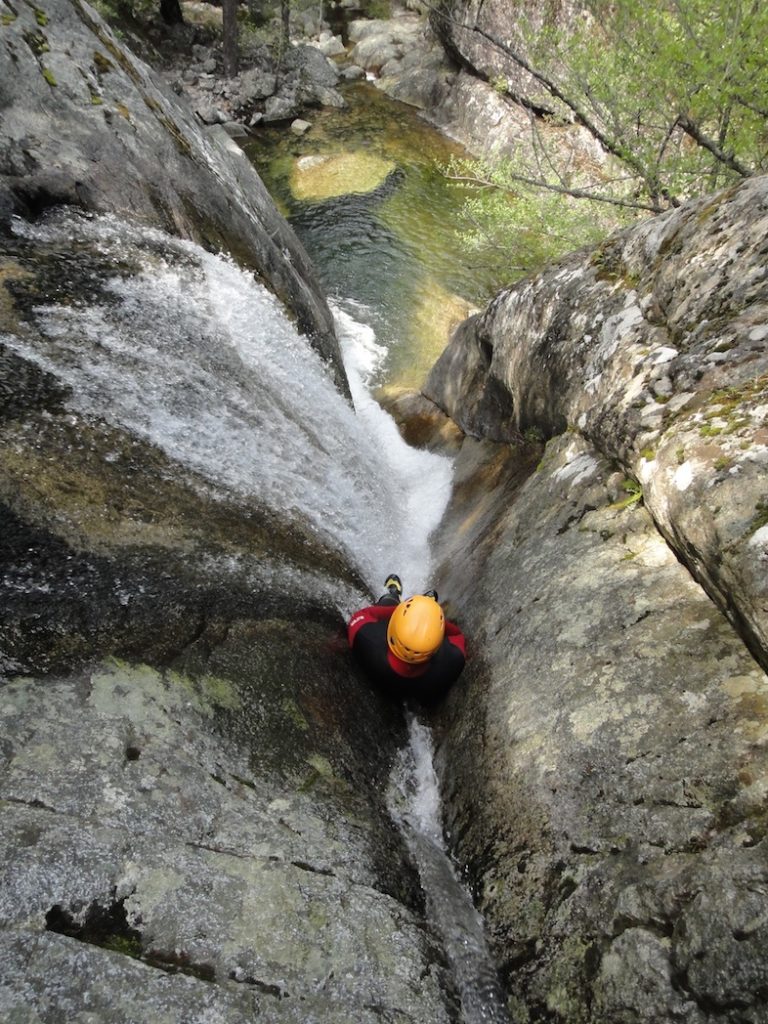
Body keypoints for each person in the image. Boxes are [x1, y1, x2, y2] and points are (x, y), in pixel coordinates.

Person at [347, 574, 466, 704]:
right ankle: (427, 604)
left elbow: (364, 614)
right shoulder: (452, 661)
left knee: (386, 604)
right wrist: (433, 620)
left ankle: (393, 594)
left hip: (382, 670)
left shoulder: (366, 637)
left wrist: (402, 610)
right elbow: (456, 634)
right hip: (419, 688)